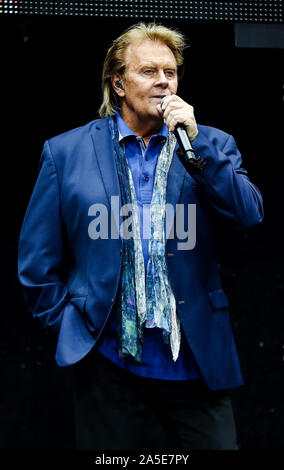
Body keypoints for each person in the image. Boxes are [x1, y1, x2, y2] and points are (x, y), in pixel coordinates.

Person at [18, 22, 264, 451]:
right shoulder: (66, 152)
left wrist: (197, 142)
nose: (164, 82)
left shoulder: (211, 144)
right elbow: (36, 262)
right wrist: (71, 328)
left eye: (170, 72)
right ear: (118, 82)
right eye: (149, 71)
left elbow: (247, 216)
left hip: (194, 363)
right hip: (109, 365)